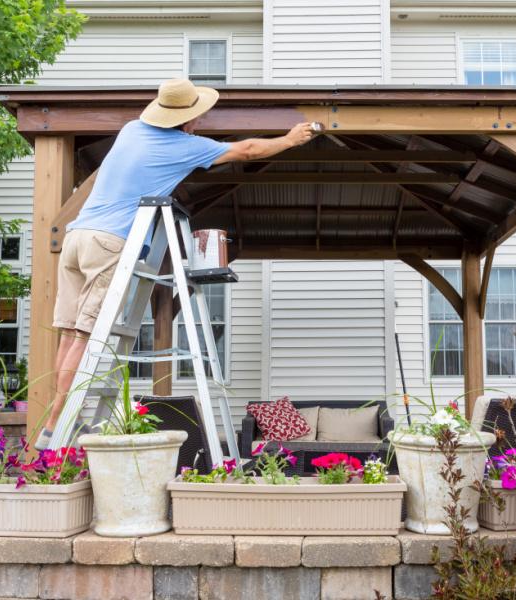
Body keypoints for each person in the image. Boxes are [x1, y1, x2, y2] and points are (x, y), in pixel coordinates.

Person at [35, 78, 315, 449]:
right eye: (197, 116)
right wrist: (290, 140)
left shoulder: (132, 130)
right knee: (86, 337)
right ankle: (57, 423)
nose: (199, 122)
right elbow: (246, 149)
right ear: (187, 120)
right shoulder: (184, 146)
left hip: (76, 236)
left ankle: (54, 423)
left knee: (70, 334)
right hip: (109, 241)